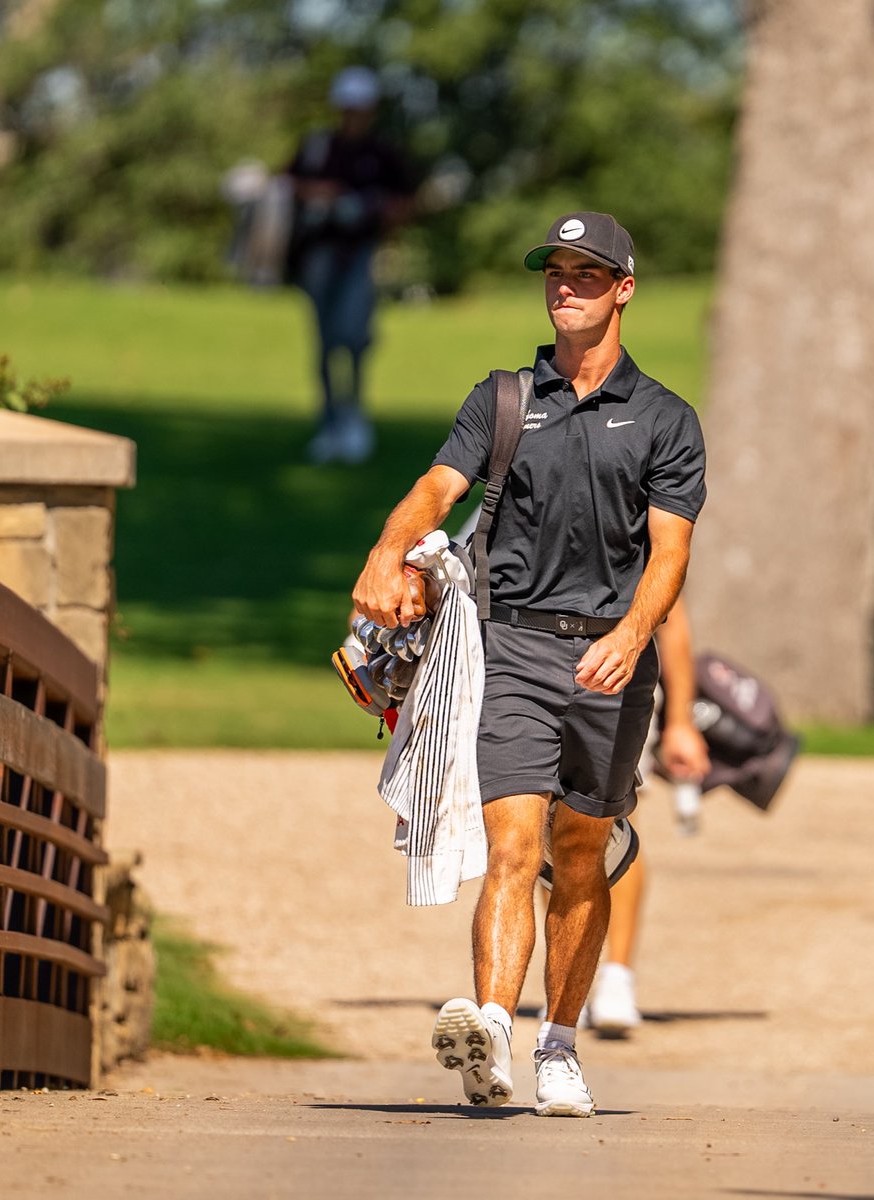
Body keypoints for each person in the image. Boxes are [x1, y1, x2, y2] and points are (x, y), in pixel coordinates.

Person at [352, 212, 706, 1117]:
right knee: (513, 844)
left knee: (580, 851)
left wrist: (631, 638)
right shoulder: (504, 399)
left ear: (623, 289)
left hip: (611, 661)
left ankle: (560, 1045)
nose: (564, 285)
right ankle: (495, 1031)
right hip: (509, 649)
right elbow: (437, 490)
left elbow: (669, 555)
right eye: (554, 271)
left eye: (586, 274)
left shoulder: (666, 419)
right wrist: (384, 556)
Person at [587, 595, 710, 1037]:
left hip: (622, 675)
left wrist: (679, 720)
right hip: (537, 667)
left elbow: (671, 619)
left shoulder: (637, 522)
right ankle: (572, 977)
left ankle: (617, 976)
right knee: (548, 831)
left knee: (613, 823)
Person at [286, 67, 417, 465]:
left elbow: (408, 201)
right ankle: (330, 426)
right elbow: (288, 183)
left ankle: (354, 419)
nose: (354, 116)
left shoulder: (382, 152)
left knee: (355, 337)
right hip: (320, 256)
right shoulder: (319, 146)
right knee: (326, 341)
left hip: (361, 256)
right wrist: (323, 194)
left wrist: (378, 209)